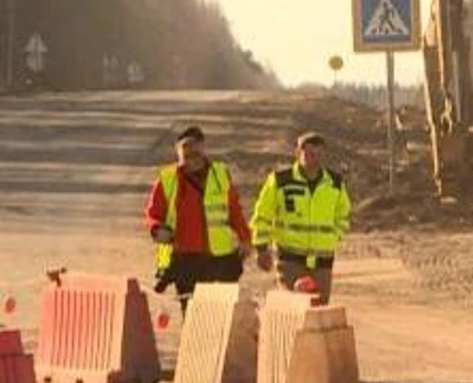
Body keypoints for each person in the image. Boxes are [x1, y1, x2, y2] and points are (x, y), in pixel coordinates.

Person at [145, 125, 251, 309]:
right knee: (193, 314)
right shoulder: (167, 178)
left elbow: (234, 211)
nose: (190, 160)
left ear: (203, 148)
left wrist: (245, 238)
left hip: (220, 259)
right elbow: (153, 214)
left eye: (194, 153)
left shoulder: (220, 174)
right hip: (186, 259)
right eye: (185, 156)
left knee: (221, 314)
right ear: (178, 154)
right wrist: (157, 229)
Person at [251, 132, 351, 302]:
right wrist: (261, 248)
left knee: (318, 312)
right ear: (298, 153)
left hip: (322, 262)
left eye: (318, 155)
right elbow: (263, 215)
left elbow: (344, 214)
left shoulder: (335, 183)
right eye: (309, 154)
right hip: (290, 260)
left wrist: (334, 236)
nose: (314, 159)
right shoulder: (280, 181)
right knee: (293, 309)